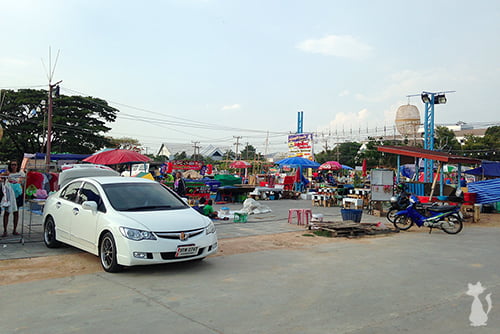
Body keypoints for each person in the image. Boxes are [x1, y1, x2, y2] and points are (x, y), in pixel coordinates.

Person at [2, 160, 25, 237]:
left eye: (15, 164)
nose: (14, 166)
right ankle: (5, 230)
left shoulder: (20, 173)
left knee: (16, 212)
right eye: (12, 165)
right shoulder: (7, 173)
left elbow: (23, 182)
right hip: (9, 194)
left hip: (17, 194)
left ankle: (14, 230)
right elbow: (2, 178)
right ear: (10, 165)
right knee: (7, 212)